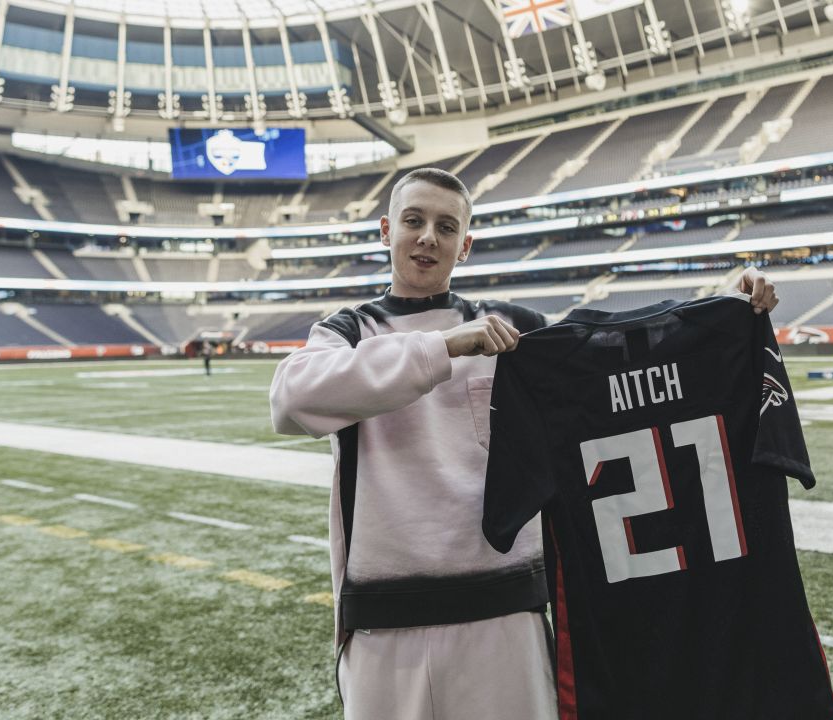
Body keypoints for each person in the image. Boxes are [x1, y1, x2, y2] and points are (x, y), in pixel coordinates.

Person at [268, 167, 780, 720]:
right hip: (384, 622)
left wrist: (723, 311)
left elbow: (612, 358)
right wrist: (442, 347)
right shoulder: (348, 331)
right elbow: (291, 401)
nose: (427, 238)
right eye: (414, 222)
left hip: (505, 611)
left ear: (464, 247)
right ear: (386, 229)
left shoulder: (515, 329)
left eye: (445, 227)